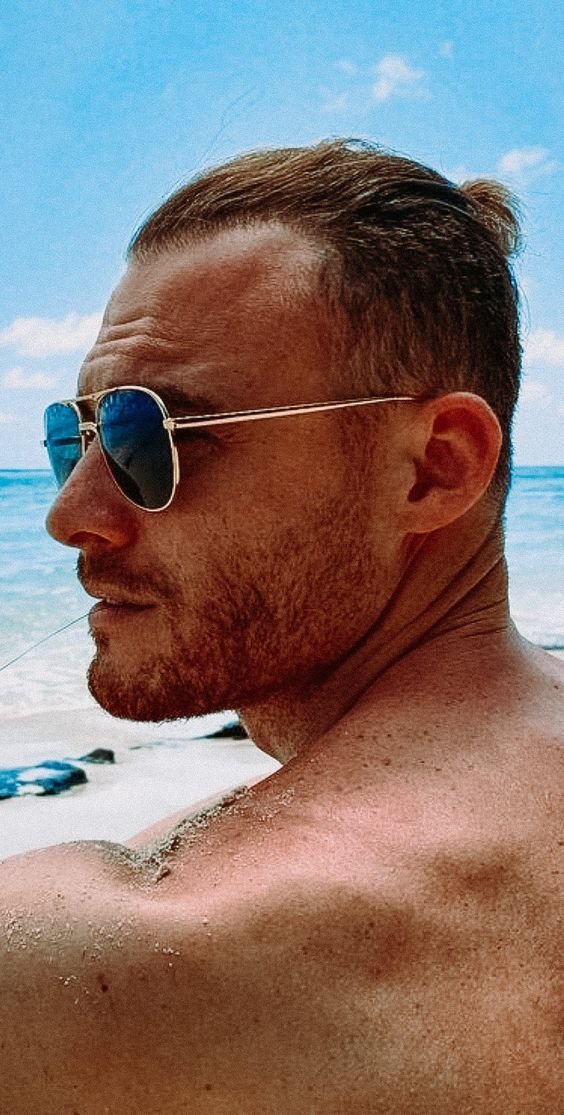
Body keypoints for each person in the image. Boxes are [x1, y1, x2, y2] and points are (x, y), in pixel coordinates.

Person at [1, 139, 563, 1113]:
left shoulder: (120, 950)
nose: (71, 513)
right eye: (75, 438)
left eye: (149, 435)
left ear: (434, 467)